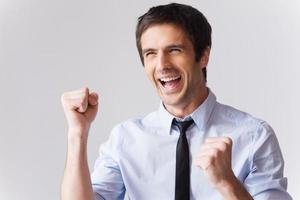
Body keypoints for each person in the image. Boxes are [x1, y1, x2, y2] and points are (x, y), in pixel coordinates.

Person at [61, 3, 292, 200]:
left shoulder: (254, 136)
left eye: (174, 50)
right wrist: (77, 133)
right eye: (151, 53)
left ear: (203, 56)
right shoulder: (125, 139)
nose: (162, 65)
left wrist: (227, 183)